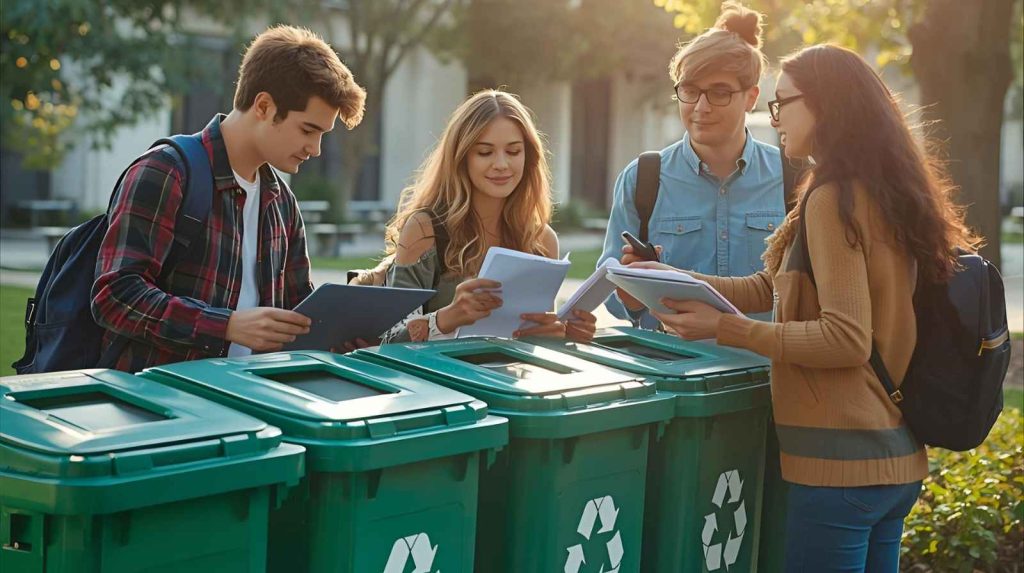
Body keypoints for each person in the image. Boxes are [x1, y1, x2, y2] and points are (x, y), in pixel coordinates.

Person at [626, 44, 980, 571]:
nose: (774, 120)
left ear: (824, 105)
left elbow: (845, 338)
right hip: (894, 457)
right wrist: (675, 277)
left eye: (781, 104)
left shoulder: (833, 199)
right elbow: (773, 287)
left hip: (840, 467)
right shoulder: (879, 190)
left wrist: (728, 330)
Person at [92, 25, 367, 371]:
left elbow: (298, 315)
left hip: (250, 404)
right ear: (264, 106)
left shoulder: (282, 204)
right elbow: (115, 297)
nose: (315, 149)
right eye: (308, 130)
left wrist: (342, 335)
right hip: (160, 404)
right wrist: (226, 325)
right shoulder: (167, 171)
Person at [601, 1, 784, 328]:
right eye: (689, 90)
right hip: (673, 372)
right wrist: (629, 293)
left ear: (752, 96)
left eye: (719, 92)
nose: (701, 107)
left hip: (769, 373)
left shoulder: (794, 176)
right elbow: (613, 298)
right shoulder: (643, 179)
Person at [381, 89, 597, 343]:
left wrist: (562, 334)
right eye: (485, 152)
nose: (502, 164)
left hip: (507, 380)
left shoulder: (542, 239)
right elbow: (390, 341)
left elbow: (531, 344)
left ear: (528, 157)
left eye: (514, 151)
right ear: (461, 158)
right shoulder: (425, 229)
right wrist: (448, 317)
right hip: (438, 380)